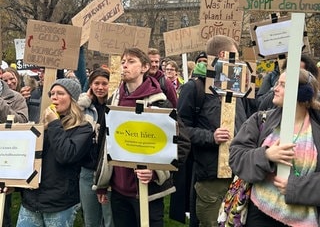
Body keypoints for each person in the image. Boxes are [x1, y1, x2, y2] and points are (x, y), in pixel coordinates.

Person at [97, 47, 190, 227]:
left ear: (145, 67)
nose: (125, 66)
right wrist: (101, 183)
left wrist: (155, 171)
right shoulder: (114, 102)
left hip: (147, 191)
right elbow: (104, 143)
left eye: (131, 62)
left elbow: (183, 144)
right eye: (123, 62)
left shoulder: (159, 103)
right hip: (118, 190)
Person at [229, 68, 320, 227]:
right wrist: (266, 156)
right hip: (259, 215)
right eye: (277, 83)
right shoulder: (260, 120)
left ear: (302, 92)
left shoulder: (317, 128)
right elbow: (236, 157)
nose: (274, 88)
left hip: (304, 221)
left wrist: (295, 187)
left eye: (283, 85)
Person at [178, 35, 247, 227]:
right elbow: (180, 129)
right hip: (210, 176)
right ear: (223, 55)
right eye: (235, 55)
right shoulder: (194, 88)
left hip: (238, 174)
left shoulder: (237, 87)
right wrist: (211, 137)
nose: (239, 60)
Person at [16, 78, 93, 226]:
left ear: (72, 98)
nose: (54, 97)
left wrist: (54, 123)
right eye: (52, 94)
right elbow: (28, 159)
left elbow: (65, 155)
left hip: (59, 203)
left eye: (60, 93)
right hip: (32, 200)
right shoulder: (42, 125)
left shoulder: (83, 128)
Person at [78, 68, 114, 227]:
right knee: (91, 219)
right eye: (96, 83)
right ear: (90, 85)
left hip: (107, 171)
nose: (100, 87)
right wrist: (83, 102)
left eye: (104, 84)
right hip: (87, 169)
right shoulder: (86, 107)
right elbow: (71, 119)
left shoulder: (114, 106)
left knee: (109, 218)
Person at [0, 76, 28, 227]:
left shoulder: (16, 98)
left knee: (2, 212)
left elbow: (23, 125)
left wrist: (1, 104)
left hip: (5, 161)